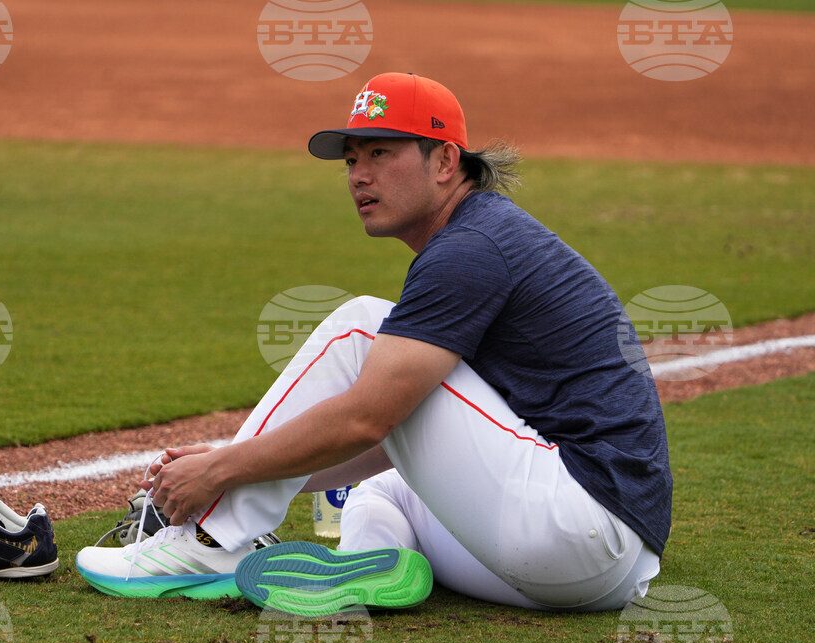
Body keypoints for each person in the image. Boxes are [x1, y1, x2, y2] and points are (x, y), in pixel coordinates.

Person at [76, 72, 672, 614]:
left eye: (381, 153)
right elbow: (406, 433)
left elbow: (369, 418)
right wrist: (239, 467)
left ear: (444, 160)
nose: (359, 174)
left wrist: (223, 473)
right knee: (378, 495)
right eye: (352, 160)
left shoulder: (470, 249)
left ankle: (207, 540)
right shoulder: (483, 235)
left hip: (573, 522)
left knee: (361, 327)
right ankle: (358, 576)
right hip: (604, 565)